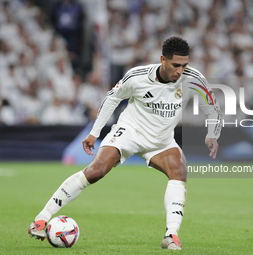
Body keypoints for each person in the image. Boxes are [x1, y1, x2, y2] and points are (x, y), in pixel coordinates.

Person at [28, 36, 222, 250]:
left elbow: (211, 106)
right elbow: (112, 98)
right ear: (162, 60)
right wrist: (94, 132)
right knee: (96, 171)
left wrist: (212, 134)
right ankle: (41, 219)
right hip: (130, 131)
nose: (180, 71)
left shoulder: (193, 79)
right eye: (176, 65)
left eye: (184, 65)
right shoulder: (137, 77)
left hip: (161, 140)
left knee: (180, 171)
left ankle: (171, 235)